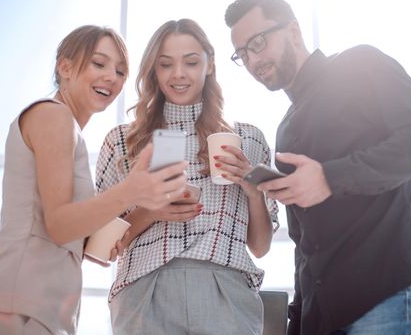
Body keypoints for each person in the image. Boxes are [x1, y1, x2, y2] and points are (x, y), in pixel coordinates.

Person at [225, 0, 411, 335]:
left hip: (386, 293)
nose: (252, 60)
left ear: (293, 31)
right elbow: (304, 240)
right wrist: (299, 319)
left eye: (258, 42)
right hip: (323, 317)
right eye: (242, 53)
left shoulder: (359, 64)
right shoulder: (286, 129)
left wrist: (329, 178)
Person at [0, 25, 188, 335]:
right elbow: (58, 225)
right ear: (65, 67)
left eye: (120, 71)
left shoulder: (70, 132)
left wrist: (147, 211)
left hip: (39, 309)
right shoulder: (53, 115)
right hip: (21, 308)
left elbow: (63, 228)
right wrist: (132, 189)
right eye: (99, 64)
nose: (111, 77)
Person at [95, 18, 279, 335]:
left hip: (226, 289)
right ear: (154, 70)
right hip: (144, 290)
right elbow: (101, 245)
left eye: (191, 62)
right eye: (165, 64)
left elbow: (260, 246)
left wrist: (252, 191)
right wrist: (151, 211)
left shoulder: (247, 139)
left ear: (209, 65)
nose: (178, 74)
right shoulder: (123, 141)